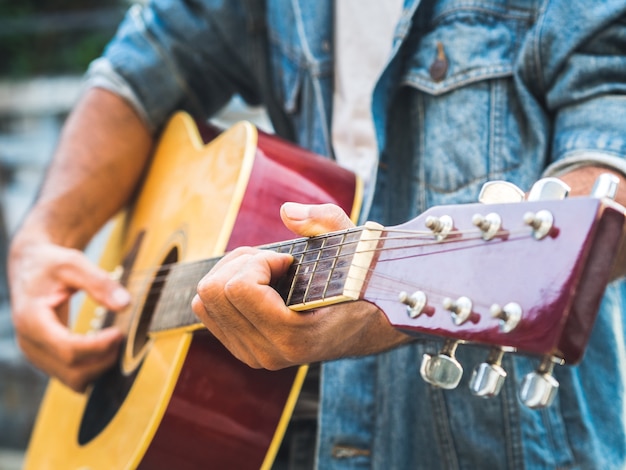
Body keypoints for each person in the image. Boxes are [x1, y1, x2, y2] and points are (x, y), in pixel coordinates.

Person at [8, 0, 626, 468]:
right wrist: (43, 239)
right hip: (278, 427)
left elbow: (610, 148)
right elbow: (141, 65)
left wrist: (387, 308)